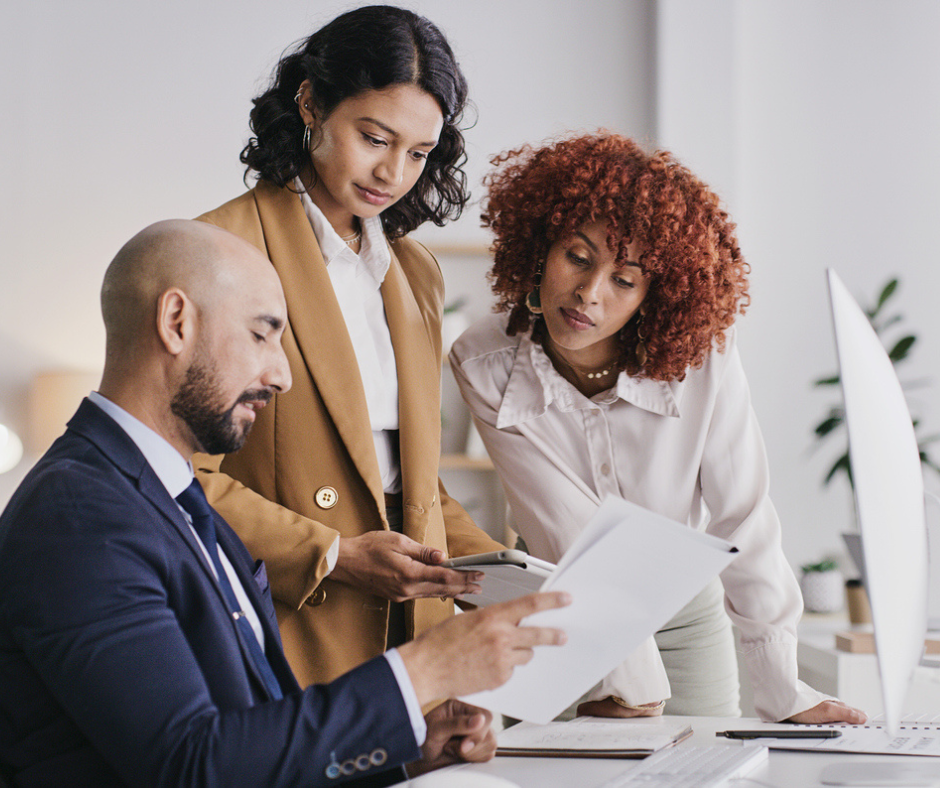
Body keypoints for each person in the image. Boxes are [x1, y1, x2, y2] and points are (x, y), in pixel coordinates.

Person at [0, 220, 570, 787]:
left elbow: (247, 747)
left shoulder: (173, 496)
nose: (282, 374)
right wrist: (421, 672)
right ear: (176, 323)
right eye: (262, 333)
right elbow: (190, 767)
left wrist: (405, 753)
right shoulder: (76, 516)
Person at [449, 133, 867, 724]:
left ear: (655, 295)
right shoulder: (483, 361)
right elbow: (561, 525)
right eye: (578, 256)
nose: (589, 293)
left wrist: (782, 689)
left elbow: (742, 515)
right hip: (560, 610)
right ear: (542, 245)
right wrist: (627, 685)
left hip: (686, 615)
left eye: (624, 279)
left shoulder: (704, 358)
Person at [194, 4, 506, 689]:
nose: (393, 172)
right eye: (374, 137)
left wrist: (514, 578)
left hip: (412, 631)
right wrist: (332, 553)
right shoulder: (222, 252)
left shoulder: (415, 272)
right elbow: (179, 477)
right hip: (288, 622)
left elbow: (408, 482)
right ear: (310, 102)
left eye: (419, 153)